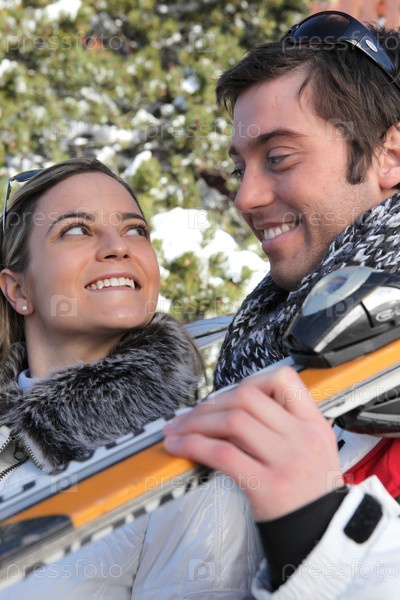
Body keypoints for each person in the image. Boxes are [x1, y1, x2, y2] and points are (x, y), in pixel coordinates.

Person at [164, 11, 400, 599]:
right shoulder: (262, 347)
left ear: (389, 156)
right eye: (239, 166)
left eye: (279, 157)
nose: (245, 196)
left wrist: (314, 535)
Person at [0, 157, 262, 598]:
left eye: (135, 230)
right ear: (18, 290)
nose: (117, 247)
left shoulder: (192, 467)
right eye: (76, 230)